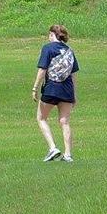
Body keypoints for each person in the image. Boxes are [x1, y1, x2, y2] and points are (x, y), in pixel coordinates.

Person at [32, 25, 79, 162]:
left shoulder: (48, 48)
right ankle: (68, 154)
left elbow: (42, 69)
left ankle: (53, 148)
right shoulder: (69, 50)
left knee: (41, 118)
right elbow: (74, 74)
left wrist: (35, 87)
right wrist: (74, 94)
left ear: (52, 34)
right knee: (64, 121)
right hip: (67, 89)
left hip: (52, 87)